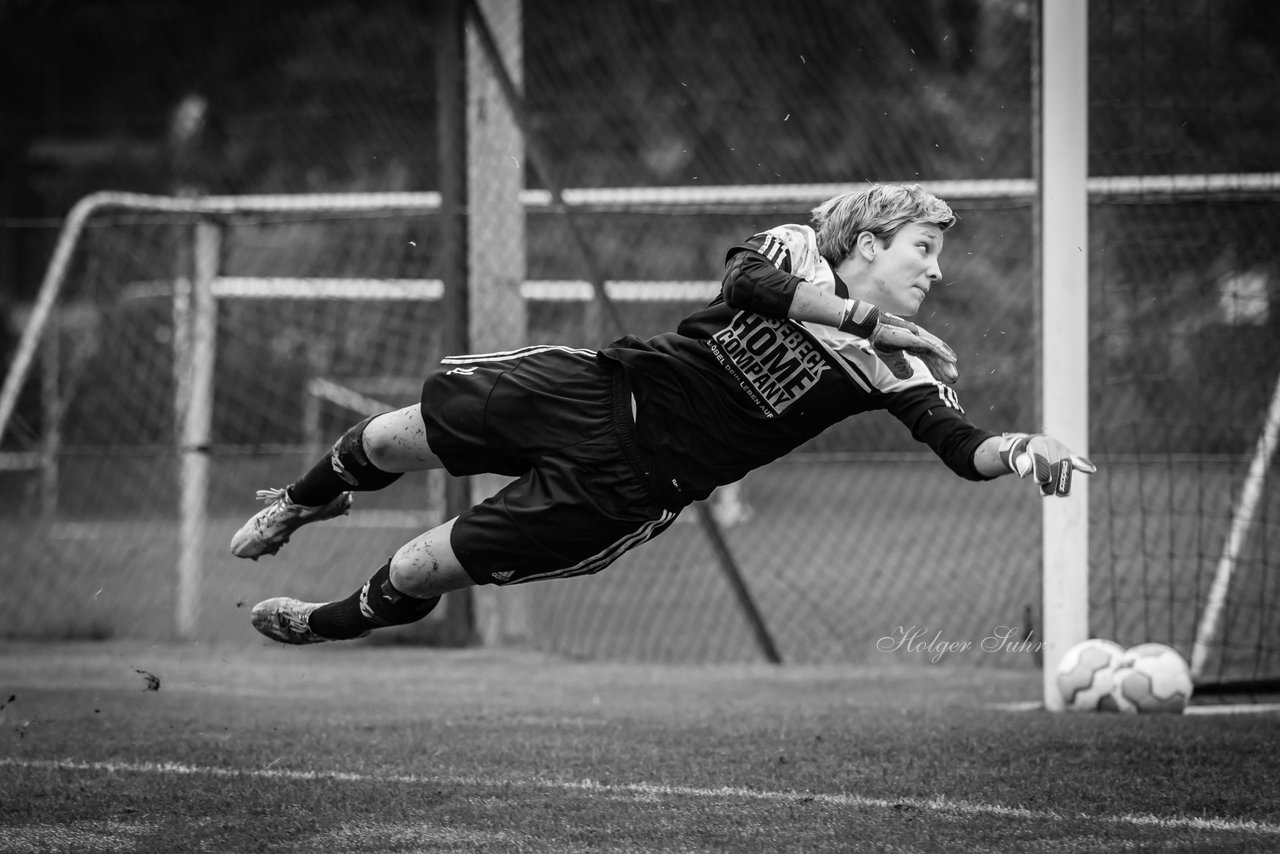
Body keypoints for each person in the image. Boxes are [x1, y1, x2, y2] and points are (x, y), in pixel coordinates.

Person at [232, 182, 1096, 645]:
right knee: (387, 435)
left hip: (630, 487)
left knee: (422, 568)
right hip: (600, 388)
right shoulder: (798, 249)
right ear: (869, 244)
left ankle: (322, 623)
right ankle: (304, 502)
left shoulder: (903, 361)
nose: (936, 271)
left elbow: (958, 445)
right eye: (925, 249)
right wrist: (855, 314)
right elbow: (744, 283)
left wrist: (1020, 450)